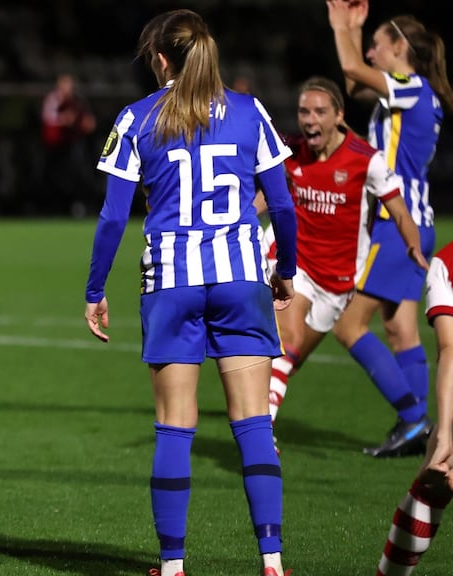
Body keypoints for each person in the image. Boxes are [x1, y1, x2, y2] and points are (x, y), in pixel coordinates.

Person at [84, 10, 297, 576]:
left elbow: (111, 218)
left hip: (171, 284)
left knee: (175, 426)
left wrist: (94, 288)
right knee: (253, 423)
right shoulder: (249, 111)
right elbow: (280, 204)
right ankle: (272, 562)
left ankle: (174, 566)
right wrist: (288, 270)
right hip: (241, 278)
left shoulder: (136, 117)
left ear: (160, 59)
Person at [264, 77, 428, 445]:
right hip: (295, 261)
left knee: (288, 360)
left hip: (338, 281)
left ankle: (249, 392)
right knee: (287, 341)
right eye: (304, 111)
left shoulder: (366, 160)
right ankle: (260, 434)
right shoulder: (292, 152)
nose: (310, 120)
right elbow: (268, 196)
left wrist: (413, 247)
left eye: (320, 111)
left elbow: (399, 211)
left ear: (339, 116)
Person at [327, 1, 453, 457]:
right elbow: (353, 80)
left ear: (400, 47)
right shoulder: (413, 93)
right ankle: (418, 428)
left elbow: (350, 68)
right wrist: (356, 31)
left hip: (397, 225)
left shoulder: (412, 87)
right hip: (416, 224)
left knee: (346, 325)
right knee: (401, 329)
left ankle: (414, 417)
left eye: (379, 45)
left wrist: (341, 26)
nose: (373, 53)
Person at [376, 240, 453, 575]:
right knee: (434, 481)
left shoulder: (445, 264)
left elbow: (450, 350)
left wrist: (446, 435)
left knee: (435, 479)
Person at [40, 72, 98, 218]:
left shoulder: (78, 101)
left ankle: (79, 205)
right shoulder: (54, 99)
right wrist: (64, 119)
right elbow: (48, 118)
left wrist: (86, 123)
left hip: (74, 145)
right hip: (55, 147)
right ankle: (55, 208)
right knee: (55, 177)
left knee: (79, 174)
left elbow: (88, 120)